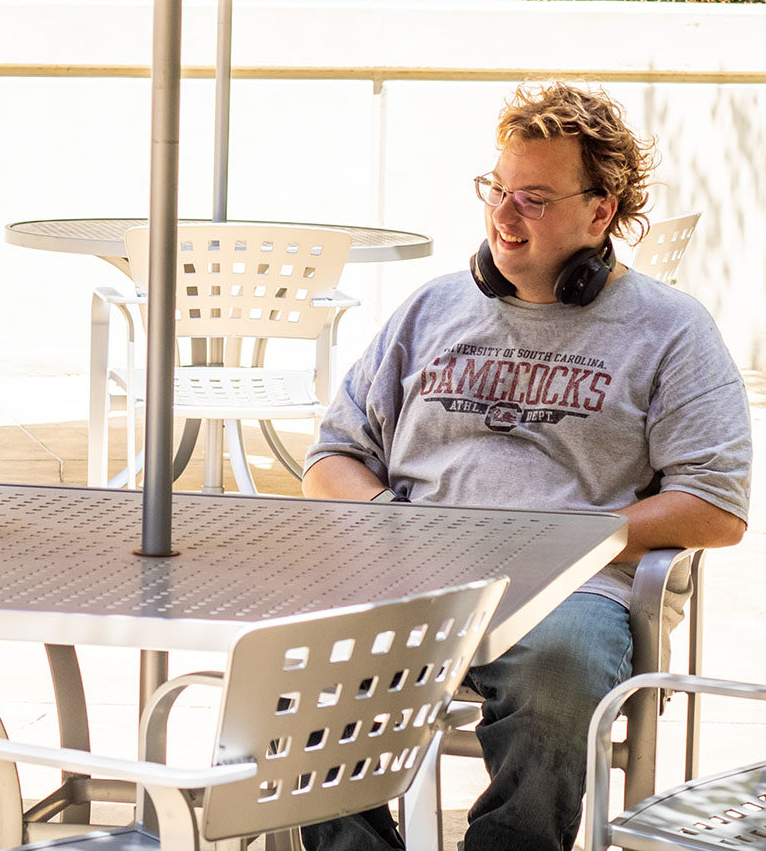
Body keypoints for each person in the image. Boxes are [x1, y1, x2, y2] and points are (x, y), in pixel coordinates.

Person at [302, 81, 752, 851]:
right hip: (412, 577)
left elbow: (716, 505)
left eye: (534, 200)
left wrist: (568, 539)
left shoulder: (672, 329)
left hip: (569, 591)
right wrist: (391, 525)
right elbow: (333, 457)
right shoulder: (428, 309)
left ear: (601, 212)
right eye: (497, 190)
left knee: (557, 675)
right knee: (291, 677)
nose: (503, 216)